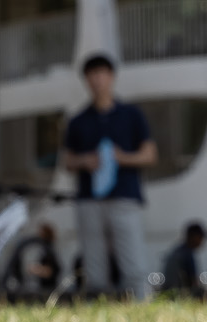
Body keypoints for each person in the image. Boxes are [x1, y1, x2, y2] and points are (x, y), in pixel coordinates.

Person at [64, 54, 158, 301]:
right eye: (92, 75)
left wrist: (120, 158)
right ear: (86, 79)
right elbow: (67, 160)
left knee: (133, 263)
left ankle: (141, 309)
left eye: (102, 74)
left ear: (111, 77)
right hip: (89, 200)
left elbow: (149, 154)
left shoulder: (131, 115)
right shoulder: (78, 120)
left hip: (124, 197)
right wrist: (85, 161)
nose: (97, 80)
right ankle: (100, 313)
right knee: (94, 266)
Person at [161, 221, 207, 296]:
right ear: (194, 236)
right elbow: (193, 282)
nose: (201, 241)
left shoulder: (177, 251)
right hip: (178, 294)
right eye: (200, 237)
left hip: (168, 292)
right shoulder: (187, 254)